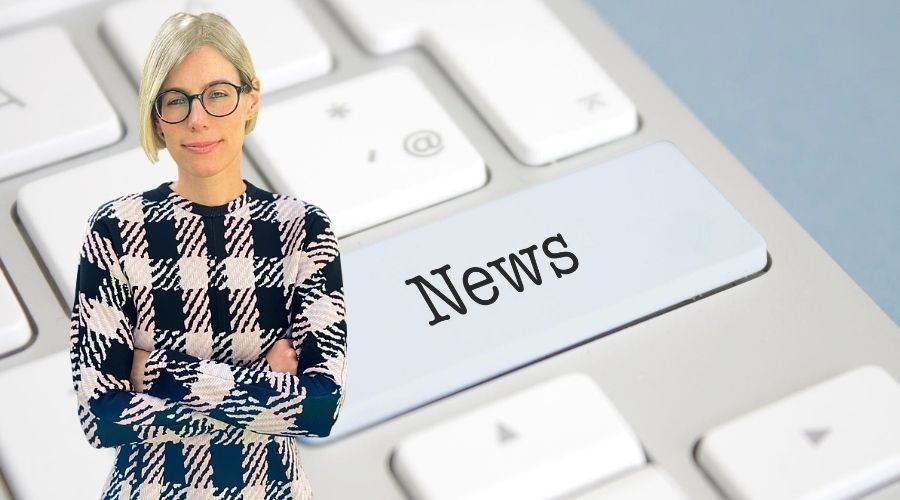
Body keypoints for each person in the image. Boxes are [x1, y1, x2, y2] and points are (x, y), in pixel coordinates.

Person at [68, 11, 347, 499]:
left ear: (250, 98)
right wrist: (263, 383)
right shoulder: (115, 230)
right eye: (176, 101)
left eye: (218, 94)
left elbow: (320, 407)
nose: (198, 119)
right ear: (158, 116)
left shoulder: (303, 230)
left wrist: (151, 371)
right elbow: (101, 418)